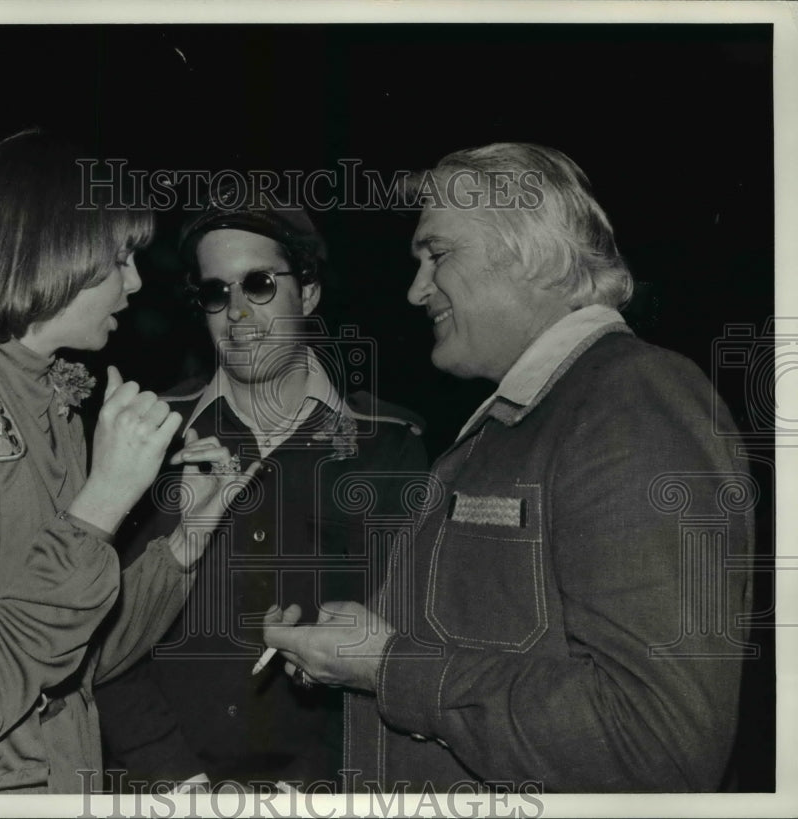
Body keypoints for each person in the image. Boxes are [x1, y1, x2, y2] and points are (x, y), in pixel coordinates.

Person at [263, 143, 755, 793]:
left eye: (436, 255)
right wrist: (366, 645)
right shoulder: (526, 417)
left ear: (537, 255)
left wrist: (387, 664)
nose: (415, 291)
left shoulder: (633, 401)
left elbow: (655, 743)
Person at [0, 130, 256, 794]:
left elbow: (75, 660)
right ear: (52, 251)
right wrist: (100, 507)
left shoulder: (51, 400)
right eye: (120, 256)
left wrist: (185, 541)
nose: (136, 281)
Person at [94, 181, 429, 791]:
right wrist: (173, 779)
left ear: (310, 292)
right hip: (162, 787)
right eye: (216, 293)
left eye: (259, 284)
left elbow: (405, 642)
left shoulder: (389, 445)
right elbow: (99, 630)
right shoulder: (152, 435)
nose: (238, 313)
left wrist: (313, 785)